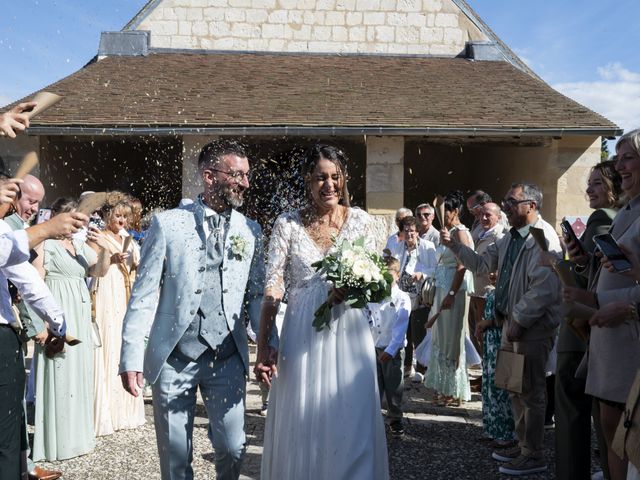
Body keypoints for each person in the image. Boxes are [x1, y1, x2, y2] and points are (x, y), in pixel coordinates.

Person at [120, 139, 266, 480]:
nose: (245, 183)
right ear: (210, 176)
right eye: (237, 175)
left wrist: (268, 345)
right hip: (175, 356)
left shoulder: (251, 230)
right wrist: (131, 357)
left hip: (228, 356)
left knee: (233, 447)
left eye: (246, 175)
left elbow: (257, 295)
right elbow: (143, 295)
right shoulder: (167, 224)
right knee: (175, 458)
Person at [256, 144, 389, 480]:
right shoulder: (287, 224)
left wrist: (356, 287)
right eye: (320, 177)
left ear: (343, 180)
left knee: (352, 419)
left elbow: (383, 277)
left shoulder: (361, 221)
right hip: (303, 332)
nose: (328, 184)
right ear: (308, 180)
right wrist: (263, 344)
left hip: (349, 333)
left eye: (335, 177)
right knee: (303, 418)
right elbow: (273, 287)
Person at [441, 182, 562, 476]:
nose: (505, 205)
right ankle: (521, 446)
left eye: (512, 201)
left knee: (531, 394)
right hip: (511, 324)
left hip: (530, 328)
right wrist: (455, 246)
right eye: (506, 201)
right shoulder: (511, 237)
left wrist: (518, 320)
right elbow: (482, 265)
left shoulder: (543, 238)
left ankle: (533, 455)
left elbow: (543, 289)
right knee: (515, 389)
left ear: (531, 206)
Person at [565, 129, 640, 480]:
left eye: (627, 158)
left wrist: (606, 301)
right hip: (611, 336)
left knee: (627, 441)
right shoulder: (630, 209)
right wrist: (586, 279)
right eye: (618, 158)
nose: (619, 166)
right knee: (612, 437)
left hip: (629, 339)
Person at [30, 198, 110, 462]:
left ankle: (78, 438)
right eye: (70, 218)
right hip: (58, 312)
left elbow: (98, 271)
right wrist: (43, 323)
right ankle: (57, 442)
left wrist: (99, 244)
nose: (74, 224)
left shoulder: (78, 243)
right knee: (60, 373)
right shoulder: (45, 244)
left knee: (79, 372)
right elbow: (36, 281)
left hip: (79, 313)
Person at [555, 160, 621, 480]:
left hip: (588, 325)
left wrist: (564, 264)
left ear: (613, 186)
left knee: (573, 412)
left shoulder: (603, 218)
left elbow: (585, 284)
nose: (589, 189)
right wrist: (581, 262)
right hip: (606, 322)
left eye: (596, 183)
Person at [91, 193, 144, 436]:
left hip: (123, 292)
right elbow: (92, 268)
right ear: (107, 216)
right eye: (118, 216)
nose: (122, 221)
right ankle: (107, 412)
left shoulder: (129, 239)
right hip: (105, 291)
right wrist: (111, 259)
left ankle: (126, 410)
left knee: (123, 342)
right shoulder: (97, 236)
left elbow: (138, 265)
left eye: (125, 217)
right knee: (108, 342)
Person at [424, 190, 474, 406]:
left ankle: (453, 390)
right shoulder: (448, 231)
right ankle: (443, 386)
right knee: (441, 339)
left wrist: (452, 294)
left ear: (455, 212)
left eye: (447, 212)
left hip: (454, 292)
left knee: (451, 340)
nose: (443, 216)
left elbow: (463, 266)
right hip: (442, 289)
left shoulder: (460, 232)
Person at [369, 256, 411, 437]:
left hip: (391, 349)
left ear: (397, 276)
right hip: (372, 346)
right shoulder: (372, 295)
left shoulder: (402, 298)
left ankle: (395, 418)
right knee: (374, 385)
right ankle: (373, 418)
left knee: (394, 386)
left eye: (388, 275)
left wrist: (391, 350)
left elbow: (401, 326)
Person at [394, 216, 436, 380]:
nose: (409, 233)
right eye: (406, 230)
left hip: (420, 295)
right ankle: (406, 365)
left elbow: (435, 269)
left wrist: (422, 274)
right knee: (405, 331)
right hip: (402, 295)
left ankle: (422, 367)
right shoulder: (399, 247)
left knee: (419, 331)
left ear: (418, 232)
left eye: (412, 230)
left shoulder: (427, 246)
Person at [476, 285, 516, 448]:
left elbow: (510, 316)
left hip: (501, 340)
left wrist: (489, 322)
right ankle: (493, 429)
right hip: (491, 342)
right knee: (489, 385)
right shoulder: (493, 290)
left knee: (501, 386)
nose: (492, 274)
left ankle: (507, 432)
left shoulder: (509, 289)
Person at [468, 202, 505, 357]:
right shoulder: (479, 232)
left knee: (486, 333)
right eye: (481, 214)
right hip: (475, 289)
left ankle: (490, 372)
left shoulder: (500, 236)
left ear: (498, 217)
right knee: (476, 332)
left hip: (487, 292)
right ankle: (484, 370)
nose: (483, 218)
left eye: (488, 215)